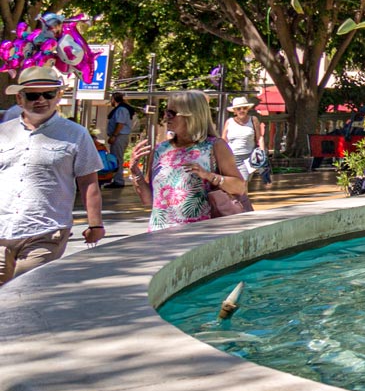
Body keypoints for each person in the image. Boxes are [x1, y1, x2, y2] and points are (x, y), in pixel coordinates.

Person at [0, 66, 104, 286]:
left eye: (48, 94)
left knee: (23, 291)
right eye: (32, 95)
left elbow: (88, 181)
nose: (41, 100)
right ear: (20, 98)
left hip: (45, 231)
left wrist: (95, 224)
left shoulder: (76, 134)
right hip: (2, 229)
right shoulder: (3, 132)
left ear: (58, 96)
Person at [129, 91, 247, 231]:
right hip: (159, 234)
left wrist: (209, 176)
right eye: (166, 112)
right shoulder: (160, 150)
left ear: (191, 115)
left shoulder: (214, 146)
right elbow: (149, 200)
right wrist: (135, 171)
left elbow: (239, 187)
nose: (166, 117)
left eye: (172, 113)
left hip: (198, 234)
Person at [223, 96, 267, 189]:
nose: (241, 110)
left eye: (244, 108)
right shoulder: (229, 122)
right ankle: (240, 202)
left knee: (244, 181)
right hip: (233, 157)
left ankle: (242, 202)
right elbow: (223, 140)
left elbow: (259, 138)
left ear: (247, 109)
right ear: (234, 111)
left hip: (248, 157)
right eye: (239, 108)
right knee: (238, 183)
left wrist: (262, 153)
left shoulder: (253, 120)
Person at [103, 91, 135, 187]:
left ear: (114, 99)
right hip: (120, 136)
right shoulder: (122, 109)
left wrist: (114, 136)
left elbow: (120, 123)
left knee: (117, 158)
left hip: (119, 136)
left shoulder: (121, 109)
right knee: (116, 157)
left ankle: (118, 180)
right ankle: (115, 179)